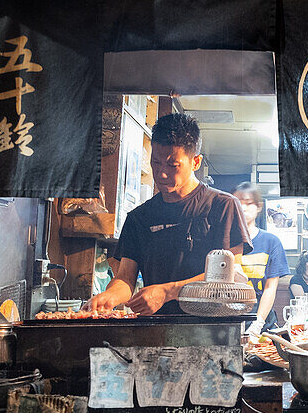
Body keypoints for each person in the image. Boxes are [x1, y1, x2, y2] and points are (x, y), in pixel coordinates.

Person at [87, 113, 250, 315]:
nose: (162, 173)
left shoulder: (222, 206)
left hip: (210, 329)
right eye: (156, 163)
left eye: (173, 166)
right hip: (155, 329)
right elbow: (126, 279)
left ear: (196, 162)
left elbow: (232, 275)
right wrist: (107, 297)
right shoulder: (139, 217)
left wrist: (168, 292)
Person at [233, 182, 289, 336]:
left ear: (259, 206)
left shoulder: (271, 242)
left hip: (262, 323)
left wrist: (258, 324)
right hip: (229, 322)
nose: (242, 208)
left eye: (248, 203)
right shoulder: (224, 241)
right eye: (238, 203)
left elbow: (270, 287)